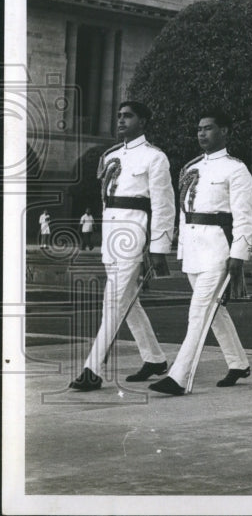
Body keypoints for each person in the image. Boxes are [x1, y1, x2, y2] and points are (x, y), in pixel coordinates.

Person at [150, 110, 252, 395]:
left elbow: (246, 217)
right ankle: (238, 363)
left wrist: (239, 254)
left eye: (208, 128)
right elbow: (185, 215)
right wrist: (182, 250)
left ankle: (179, 377)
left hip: (219, 249)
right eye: (199, 128)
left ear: (225, 132)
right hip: (196, 251)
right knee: (214, 310)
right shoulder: (191, 168)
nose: (201, 133)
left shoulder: (236, 169)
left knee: (199, 312)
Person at [69, 101, 173, 392]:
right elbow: (106, 201)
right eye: (119, 116)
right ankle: (154, 358)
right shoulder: (111, 155)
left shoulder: (155, 158)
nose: (121, 120)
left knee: (112, 301)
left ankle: (93, 369)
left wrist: (158, 246)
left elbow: (164, 206)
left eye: (128, 116)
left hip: (134, 232)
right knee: (127, 301)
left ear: (143, 121)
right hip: (112, 234)